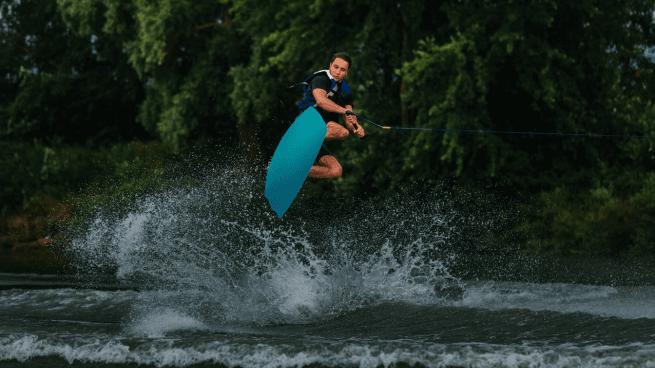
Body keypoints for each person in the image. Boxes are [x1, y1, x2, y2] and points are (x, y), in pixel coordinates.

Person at [294, 52, 365, 179]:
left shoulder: (346, 91)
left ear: (347, 72)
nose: (338, 72)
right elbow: (321, 101)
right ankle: (301, 144)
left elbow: (349, 117)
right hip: (307, 121)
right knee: (341, 132)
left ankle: (295, 170)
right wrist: (344, 111)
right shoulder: (321, 79)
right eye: (336, 67)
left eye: (342, 69)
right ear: (330, 65)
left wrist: (356, 127)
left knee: (336, 171)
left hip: (319, 133)